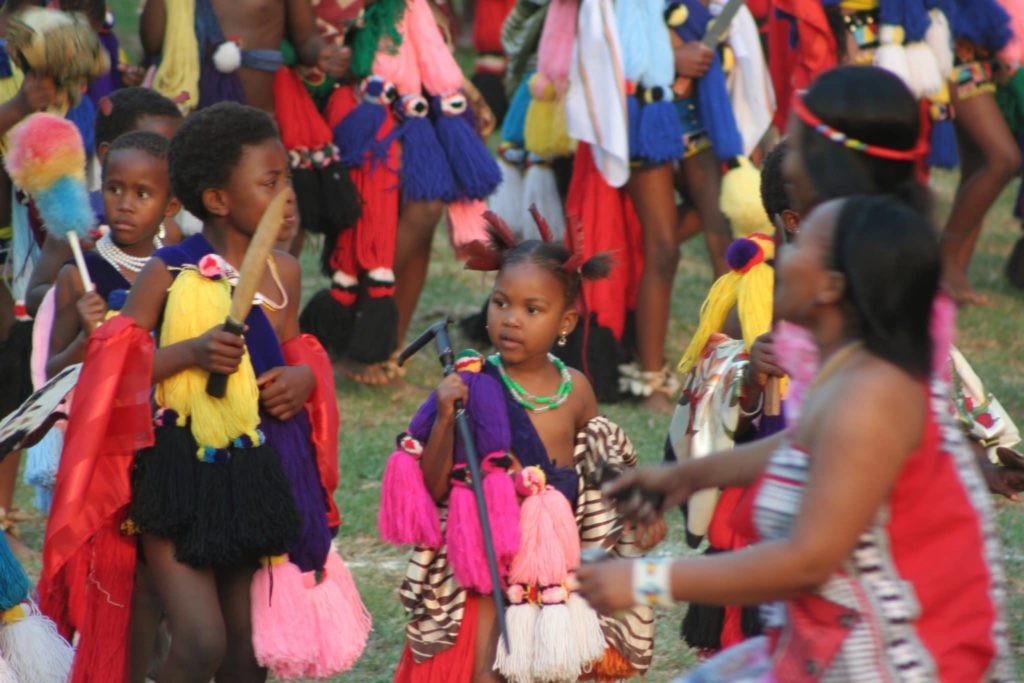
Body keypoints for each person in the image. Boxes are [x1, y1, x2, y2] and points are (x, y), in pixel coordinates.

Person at [578, 195, 1013, 681]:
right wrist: (682, 476)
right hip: (823, 648)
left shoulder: (873, 396)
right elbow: (800, 442)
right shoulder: (850, 368)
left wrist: (646, 580)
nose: (776, 254)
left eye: (799, 245)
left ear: (832, 287)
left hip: (891, 663)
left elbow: (808, 560)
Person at [39, 102, 358, 683]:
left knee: (245, 653)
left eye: (285, 179)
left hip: (252, 471)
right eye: (269, 182)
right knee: (200, 640)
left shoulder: (282, 272)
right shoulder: (168, 270)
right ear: (217, 199)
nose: (286, 193)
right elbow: (114, 370)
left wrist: (303, 378)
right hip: (177, 474)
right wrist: (188, 353)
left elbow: (293, 355)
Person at [385, 214, 663, 682]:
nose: (511, 319)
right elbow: (435, 489)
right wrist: (447, 418)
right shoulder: (473, 384)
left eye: (532, 309)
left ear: (565, 321)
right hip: (486, 564)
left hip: (554, 570)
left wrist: (640, 508)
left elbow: (602, 470)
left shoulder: (575, 390)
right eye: (500, 303)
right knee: (483, 670)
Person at [25, 86, 185, 320]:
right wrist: (80, 298)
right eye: (148, 147)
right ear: (106, 153)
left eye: (172, 154)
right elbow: (33, 297)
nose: (163, 161)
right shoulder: (76, 222)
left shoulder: (168, 229)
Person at [46, 131, 180, 377]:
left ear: (170, 206)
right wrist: (86, 339)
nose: (125, 205)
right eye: (114, 189)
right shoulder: (79, 275)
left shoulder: (179, 268)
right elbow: (52, 373)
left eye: (142, 194)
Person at [139, 0, 350, 114]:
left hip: (257, 120)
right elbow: (153, 43)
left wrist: (322, 54)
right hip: (188, 119)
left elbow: (306, 39)